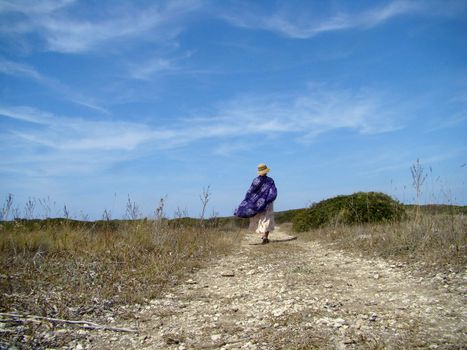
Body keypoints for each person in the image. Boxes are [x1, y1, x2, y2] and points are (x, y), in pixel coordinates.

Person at [234, 163, 277, 244]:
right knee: (266, 218)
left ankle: (264, 235)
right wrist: (269, 199)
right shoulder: (270, 180)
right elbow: (273, 191)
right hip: (267, 202)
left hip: (257, 204)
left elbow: (250, 192)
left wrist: (248, 201)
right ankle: (265, 236)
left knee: (260, 218)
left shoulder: (256, 180)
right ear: (266, 171)